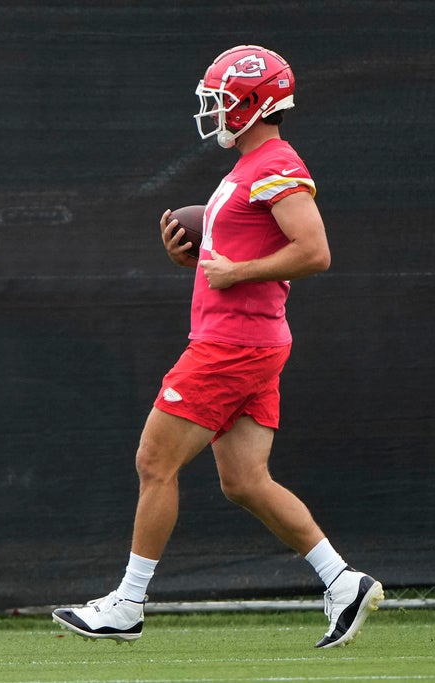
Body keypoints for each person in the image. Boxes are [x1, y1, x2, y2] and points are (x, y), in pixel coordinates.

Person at [52, 45, 382, 649]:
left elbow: (315, 252)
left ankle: (127, 605)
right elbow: (244, 251)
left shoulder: (276, 163)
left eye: (223, 98)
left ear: (254, 102)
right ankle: (343, 582)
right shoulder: (251, 166)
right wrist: (197, 257)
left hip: (232, 344)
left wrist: (235, 272)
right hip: (251, 340)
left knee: (155, 462)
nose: (214, 109)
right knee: (245, 481)